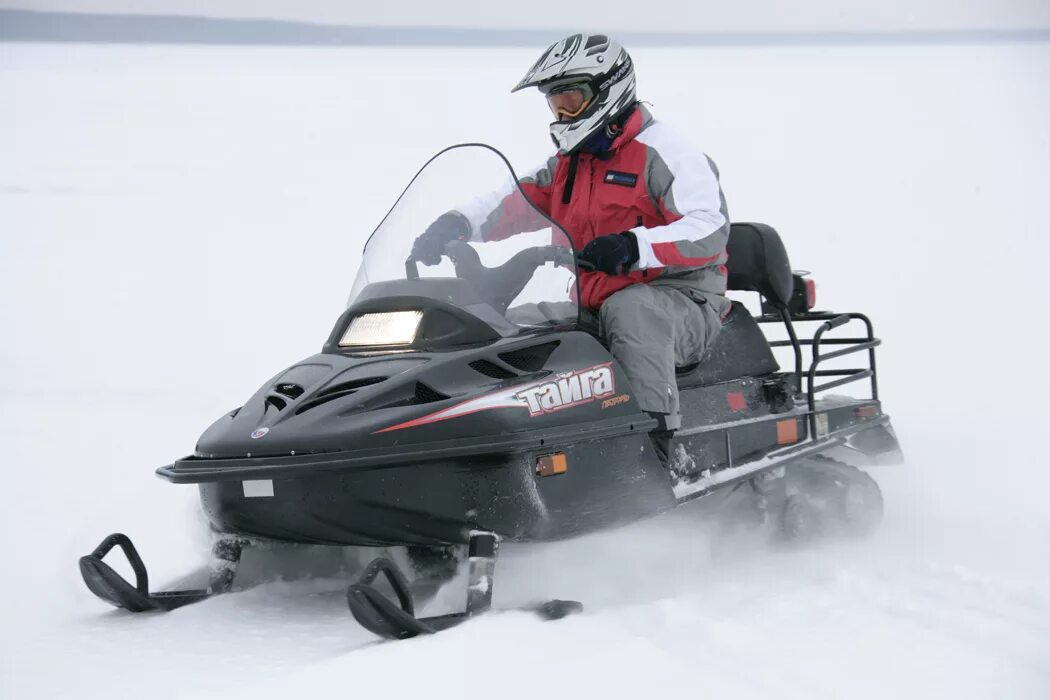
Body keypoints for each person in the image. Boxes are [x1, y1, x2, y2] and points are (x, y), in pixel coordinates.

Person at [411, 33, 731, 470]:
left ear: (608, 91)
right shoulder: (569, 161)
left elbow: (709, 228)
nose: (562, 114)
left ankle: (657, 448)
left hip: (682, 301)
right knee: (515, 328)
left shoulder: (668, 154)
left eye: (572, 101)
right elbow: (512, 201)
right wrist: (455, 225)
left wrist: (633, 246)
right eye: (555, 103)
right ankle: (491, 446)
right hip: (590, 298)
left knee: (633, 311)